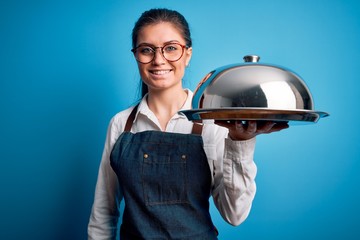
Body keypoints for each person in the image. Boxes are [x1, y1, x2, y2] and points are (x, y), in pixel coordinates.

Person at [88, 8, 288, 240]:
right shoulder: (120, 124)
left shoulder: (213, 122)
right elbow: (103, 212)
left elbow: (235, 215)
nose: (158, 60)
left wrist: (240, 144)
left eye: (171, 48)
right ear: (136, 56)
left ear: (188, 54)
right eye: (147, 50)